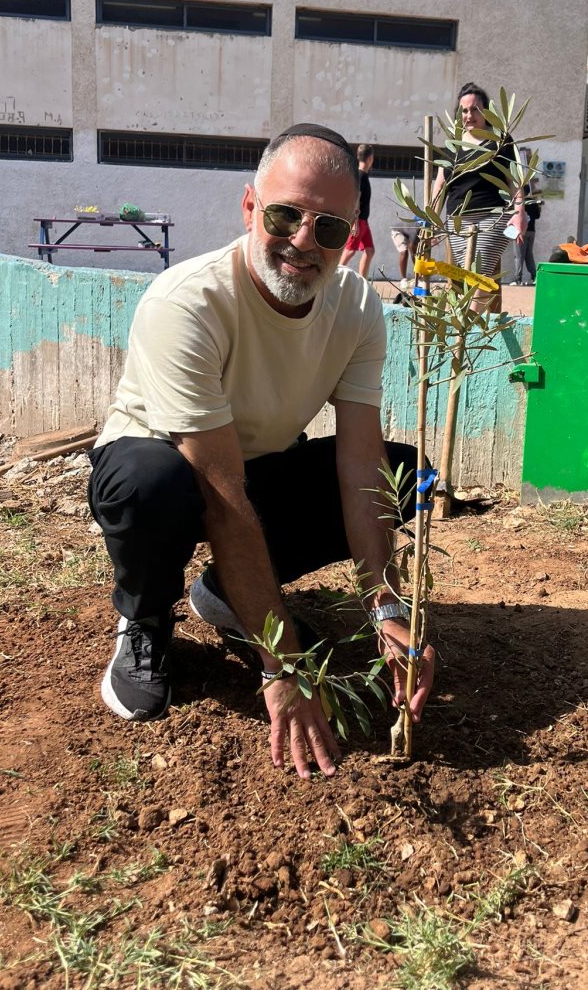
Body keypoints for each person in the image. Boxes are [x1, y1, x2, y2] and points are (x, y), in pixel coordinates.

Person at [88, 123, 435, 780]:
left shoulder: (357, 307)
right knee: (153, 486)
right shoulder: (190, 302)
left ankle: (225, 594)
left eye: (330, 228)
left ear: (352, 236)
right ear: (251, 208)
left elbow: (361, 466)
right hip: (166, 467)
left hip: (257, 469)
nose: (304, 242)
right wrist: (282, 663)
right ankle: (145, 619)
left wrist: (385, 606)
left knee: (403, 473)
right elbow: (218, 494)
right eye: (286, 216)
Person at [432, 82, 525, 310]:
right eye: (464, 110)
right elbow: (440, 184)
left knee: (478, 273)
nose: (469, 115)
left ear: (486, 111)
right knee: (461, 277)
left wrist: (520, 212)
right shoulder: (453, 145)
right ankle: (470, 330)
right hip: (457, 221)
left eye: (475, 109)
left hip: (491, 217)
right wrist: (431, 221)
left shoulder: (501, 141)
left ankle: (467, 328)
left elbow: (515, 179)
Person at [339, 143, 376, 279]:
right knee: (350, 251)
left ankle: (363, 281)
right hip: (358, 220)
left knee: (370, 251)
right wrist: (354, 223)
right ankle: (333, 277)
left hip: (364, 221)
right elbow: (356, 199)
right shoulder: (360, 176)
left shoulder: (363, 175)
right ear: (370, 158)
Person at [510, 182, 540, 286]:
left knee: (518, 255)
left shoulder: (519, 203)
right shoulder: (533, 202)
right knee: (529, 255)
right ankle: (535, 276)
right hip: (532, 231)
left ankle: (517, 278)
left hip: (520, 232)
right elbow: (537, 215)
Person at [390, 221, 419, 301]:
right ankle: (403, 280)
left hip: (406, 232)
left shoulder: (421, 231)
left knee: (416, 253)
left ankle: (417, 277)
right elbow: (412, 251)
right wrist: (418, 269)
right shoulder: (415, 230)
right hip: (397, 231)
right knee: (404, 251)